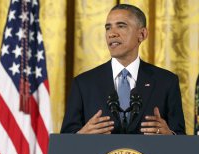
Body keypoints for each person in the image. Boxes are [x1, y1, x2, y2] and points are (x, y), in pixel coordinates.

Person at [60, 4, 185, 135]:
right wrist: (80, 136)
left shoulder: (166, 81)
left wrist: (170, 136)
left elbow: (181, 141)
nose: (112, 34)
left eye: (121, 26)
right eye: (108, 28)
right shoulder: (83, 83)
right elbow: (66, 141)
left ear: (142, 34)